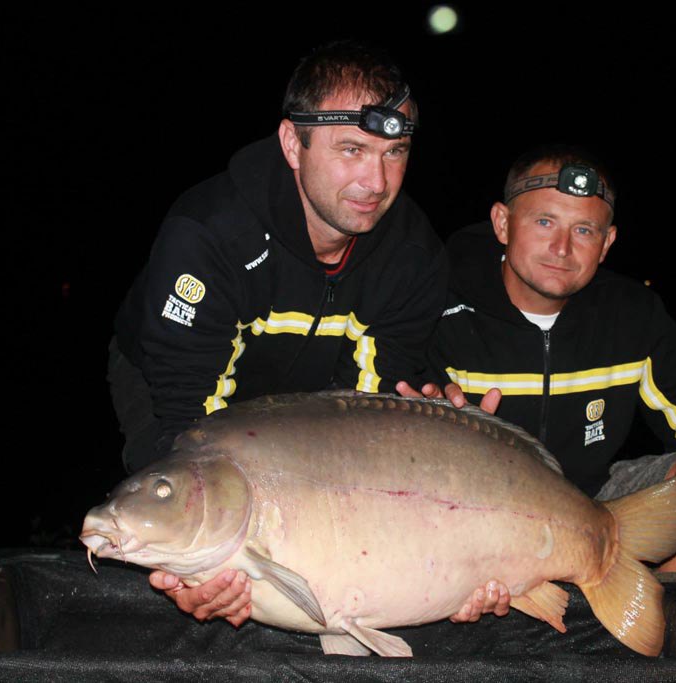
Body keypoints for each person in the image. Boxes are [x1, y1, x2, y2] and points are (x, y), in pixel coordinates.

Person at [106, 40, 452, 626]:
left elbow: (363, 418)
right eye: (351, 149)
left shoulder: (414, 257)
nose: (376, 180)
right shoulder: (208, 234)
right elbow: (185, 419)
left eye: (395, 152)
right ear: (293, 143)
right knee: (199, 525)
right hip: (171, 383)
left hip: (316, 386)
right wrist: (194, 566)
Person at [399, 143, 676, 580]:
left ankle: (664, 640)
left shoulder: (631, 315)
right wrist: (430, 417)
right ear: (503, 222)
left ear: (606, 244)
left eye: (584, 231)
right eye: (544, 221)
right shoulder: (438, 306)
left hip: (595, 506)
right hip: (481, 513)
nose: (562, 247)